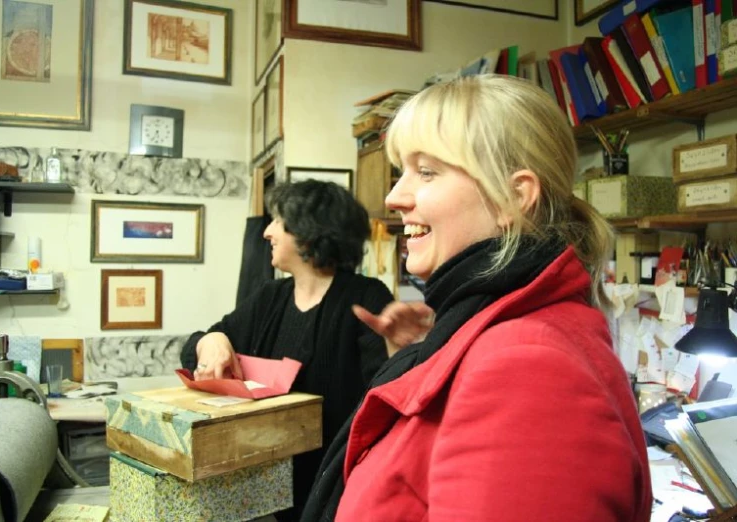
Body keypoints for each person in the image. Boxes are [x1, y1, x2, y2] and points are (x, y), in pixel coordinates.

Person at [301, 75, 652, 522]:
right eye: (401, 171)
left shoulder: (529, 368)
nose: (394, 197)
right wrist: (426, 365)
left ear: (513, 198)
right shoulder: (483, 337)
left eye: (426, 172)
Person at [179, 179, 432, 521]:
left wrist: (398, 347)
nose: (267, 232)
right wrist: (212, 341)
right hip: (269, 491)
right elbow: (193, 349)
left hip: (338, 492)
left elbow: (389, 394)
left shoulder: (365, 296)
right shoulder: (270, 297)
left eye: (278, 221)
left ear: (308, 231)